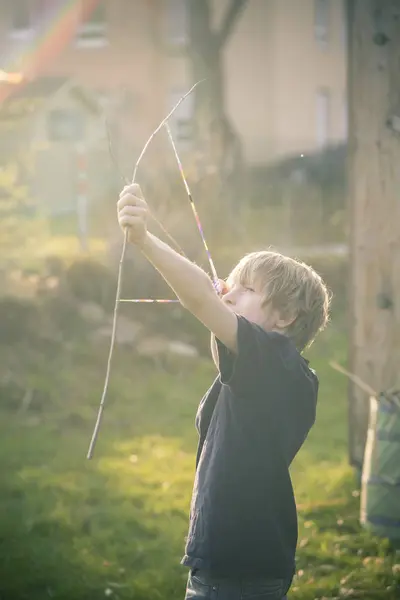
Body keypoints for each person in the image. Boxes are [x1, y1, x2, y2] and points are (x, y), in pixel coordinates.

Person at [117, 184, 331, 600]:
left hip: (240, 570)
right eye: (228, 285)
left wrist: (144, 239)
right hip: (229, 563)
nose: (228, 293)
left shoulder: (278, 367)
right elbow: (211, 307)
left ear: (286, 316)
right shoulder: (261, 370)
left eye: (246, 289)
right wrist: (233, 297)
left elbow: (200, 298)